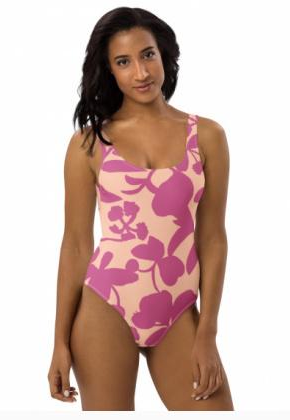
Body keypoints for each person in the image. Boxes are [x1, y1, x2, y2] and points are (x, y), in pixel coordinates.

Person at [47, 6, 234, 411]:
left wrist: (207, 332)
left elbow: (212, 239)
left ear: (164, 54)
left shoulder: (207, 136)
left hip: (177, 307)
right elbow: (76, 244)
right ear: (109, 70)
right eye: (123, 62)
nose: (141, 72)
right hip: (104, 305)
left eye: (148, 54)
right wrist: (59, 342)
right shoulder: (89, 144)